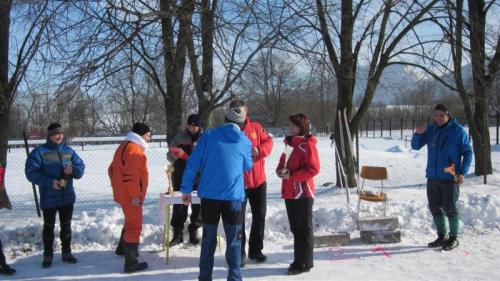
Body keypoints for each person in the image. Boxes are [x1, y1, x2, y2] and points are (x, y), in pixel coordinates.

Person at [180, 105, 253, 281]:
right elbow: (248, 166)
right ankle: (234, 277)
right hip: (233, 198)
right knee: (234, 239)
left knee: (209, 238)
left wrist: (186, 189)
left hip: (210, 197)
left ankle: (205, 277)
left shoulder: (209, 136)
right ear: (242, 124)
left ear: (225, 120)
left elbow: (192, 163)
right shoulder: (244, 141)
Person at [411, 104, 472, 251]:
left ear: (448, 115)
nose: (438, 118)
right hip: (433, 176)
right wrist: (418, 134)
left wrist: (462, 172)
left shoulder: (458, 131)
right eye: (436, 115)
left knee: (450, 207)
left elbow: (468, 152)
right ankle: (442, 236)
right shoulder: (431, 130)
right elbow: (415, 146)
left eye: (441, 115)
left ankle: (454, 237)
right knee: (434, 207)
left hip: (451, 177)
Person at [25, 123, 85, 268]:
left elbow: (81, 168)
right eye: (55, 134)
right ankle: (48, 255)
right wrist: (50, 182)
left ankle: (67, 253)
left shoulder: (69, 151)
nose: (59, 136)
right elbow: (31, 172)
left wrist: (73, 170)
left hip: (67, 197)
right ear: (50, 135)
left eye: (61, 133)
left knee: (66, 226)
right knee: (49, 227)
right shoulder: (39, 152)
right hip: (49, 197)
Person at [228, 99, 273, 267]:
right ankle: (239, 254)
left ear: (246, 111)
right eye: (235, 110)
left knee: (259, 216)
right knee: (238, 220)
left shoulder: (256, 127)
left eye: (241, 110)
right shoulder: (229, 131)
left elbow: (268, 142)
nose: (239, 113)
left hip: (259, 182)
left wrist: (259, 150)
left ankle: (256, 250)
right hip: (238, 183)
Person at [276, 113, 319, 275]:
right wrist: (280, 171)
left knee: (303, 229)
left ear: (301, 127)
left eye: (293, 126)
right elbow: (282, 163)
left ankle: (304, 262)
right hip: (289, 192)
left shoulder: (308, 145)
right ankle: (300, 260)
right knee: (296, 229)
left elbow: (313, 169)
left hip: (303, 193)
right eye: (290, 125)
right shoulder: (289, 144)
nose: (290, 128)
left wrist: (292, 175)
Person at [108, 122, 151, 273]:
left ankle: (122, 249)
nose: (149, 138)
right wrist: (135, 196)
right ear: (140, 135)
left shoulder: (124, 146)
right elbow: (131, 176)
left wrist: (117, 187)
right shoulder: (134, 150)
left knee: (129, 221)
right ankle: (131, 263)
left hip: (123, 193)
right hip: (131, 196)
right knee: (134, 225)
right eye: (147, 135)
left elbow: (111, 169)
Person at [167, 114, 203, 246]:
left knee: (198, 205)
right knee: (179, 204)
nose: (192, 128)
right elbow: (169, 154)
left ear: (199, 126)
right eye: (190, 125)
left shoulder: (205, 138)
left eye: (194, 126)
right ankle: (177, 233)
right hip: (181, 175)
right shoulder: (179, 137)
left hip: (199, 176)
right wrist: (175, 156)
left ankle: (194, 230)